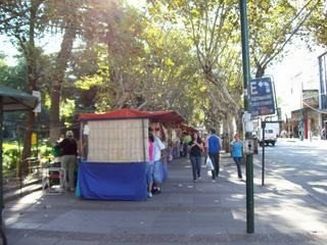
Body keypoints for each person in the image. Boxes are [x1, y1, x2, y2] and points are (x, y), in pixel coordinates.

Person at [152, 127, 166, 194]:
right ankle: (154, 187)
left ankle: (158, 187)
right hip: (151, 160)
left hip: (156, 159)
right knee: (152, 174)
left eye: (156, 130)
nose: (153, 132)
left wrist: (163, 156)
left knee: (155, 175)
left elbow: (162, 148)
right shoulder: (150, 140)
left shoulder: (157, 139)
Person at [146, 129, 155, 198]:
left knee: (146, 176)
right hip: (151, 161)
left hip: (147, 161)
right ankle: (149, 191)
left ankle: (148, 191)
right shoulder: (152, 143)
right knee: (150, 176)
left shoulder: (147, 143)